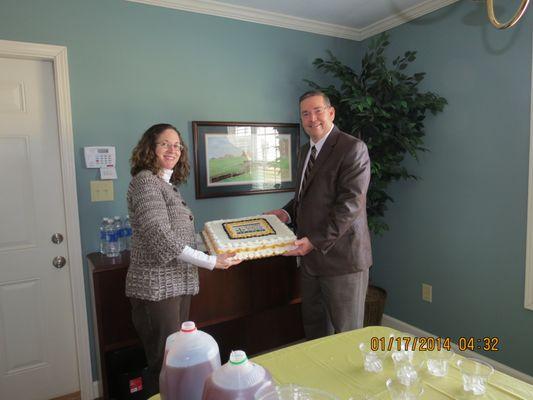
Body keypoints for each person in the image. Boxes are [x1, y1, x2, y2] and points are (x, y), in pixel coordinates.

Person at [126, 123, 241, 393]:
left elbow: (182, 238)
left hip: (176, 286)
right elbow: (162, 238)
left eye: (177, 145)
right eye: (165, 143)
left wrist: (215, 247)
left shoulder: (167, 186)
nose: (173, 149)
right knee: (164, 364)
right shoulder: (145, 183)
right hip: (156, 290)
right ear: (150, 148)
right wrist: (212, 262)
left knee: (178, 360)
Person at [267, 91, 372, 340]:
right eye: (305, 113)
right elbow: (305, 198)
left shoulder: (352, 148)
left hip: (343, 262)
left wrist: (313, 241)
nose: (312, 118)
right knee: (315, 331)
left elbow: (349, 206)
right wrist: (285, 213)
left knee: (347, 336)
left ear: (331, 112)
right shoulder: (305, 151)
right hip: (311, 262)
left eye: (317, 111)